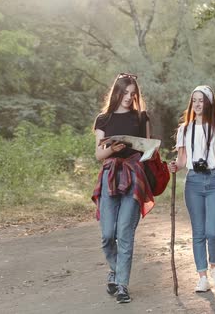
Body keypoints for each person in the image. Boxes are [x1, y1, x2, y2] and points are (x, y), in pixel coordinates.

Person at [91, 73, 155, 304]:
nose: (129, 98)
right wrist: (113, 148)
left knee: (125, 234)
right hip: (110, 175)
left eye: (133, 94)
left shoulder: (142, 117)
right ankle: (114, 270)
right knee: (108, 234)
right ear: (116, 93)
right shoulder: (103, 119)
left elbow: (148, 151)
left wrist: (148, 151)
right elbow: (99, 154)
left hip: (135, 174)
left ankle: (122, 285)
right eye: (124, 93)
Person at [168, 85, 215, 292]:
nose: (197, 104)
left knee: (212, 231)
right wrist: (175, 166)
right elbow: (182, 160)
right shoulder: (184, 129)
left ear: (209, 103)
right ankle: (202, 276)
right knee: (198, 231)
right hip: (193, 182)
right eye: (194, 100)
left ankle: (214, 266)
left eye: (201, 100)